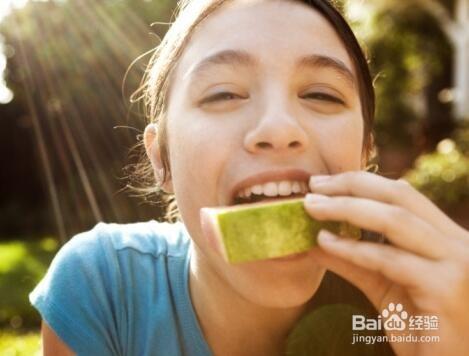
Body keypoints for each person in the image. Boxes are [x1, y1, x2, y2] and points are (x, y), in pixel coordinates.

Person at [30, 0, 469, 355]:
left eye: (320, 94)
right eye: (223, 93)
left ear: (364, 152)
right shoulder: (104, 287)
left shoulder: (419, 313)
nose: (279, 129)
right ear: (161, 157)